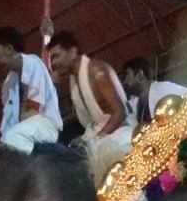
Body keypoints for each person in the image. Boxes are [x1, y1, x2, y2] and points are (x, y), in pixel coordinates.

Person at [48, 30, 133, 185]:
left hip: (122, 139)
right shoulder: (74, 81)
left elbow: (120, 112)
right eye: (51, 59)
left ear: (73, 51)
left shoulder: (95, 70)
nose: (53, 63)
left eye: (56, 56)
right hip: (104, 141)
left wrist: (94, 141)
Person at [0, 26, 62, 153]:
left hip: (44, 126)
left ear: (9, 49)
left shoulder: (32, 62)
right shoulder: (8, 84)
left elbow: (31, 113)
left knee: (14, 137)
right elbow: (9, 121)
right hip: (22, 129)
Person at [122, 56, 187, 124]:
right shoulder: (134, 103)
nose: (124, 81)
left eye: (127, 75)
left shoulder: (162, 88)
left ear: (140, 75)